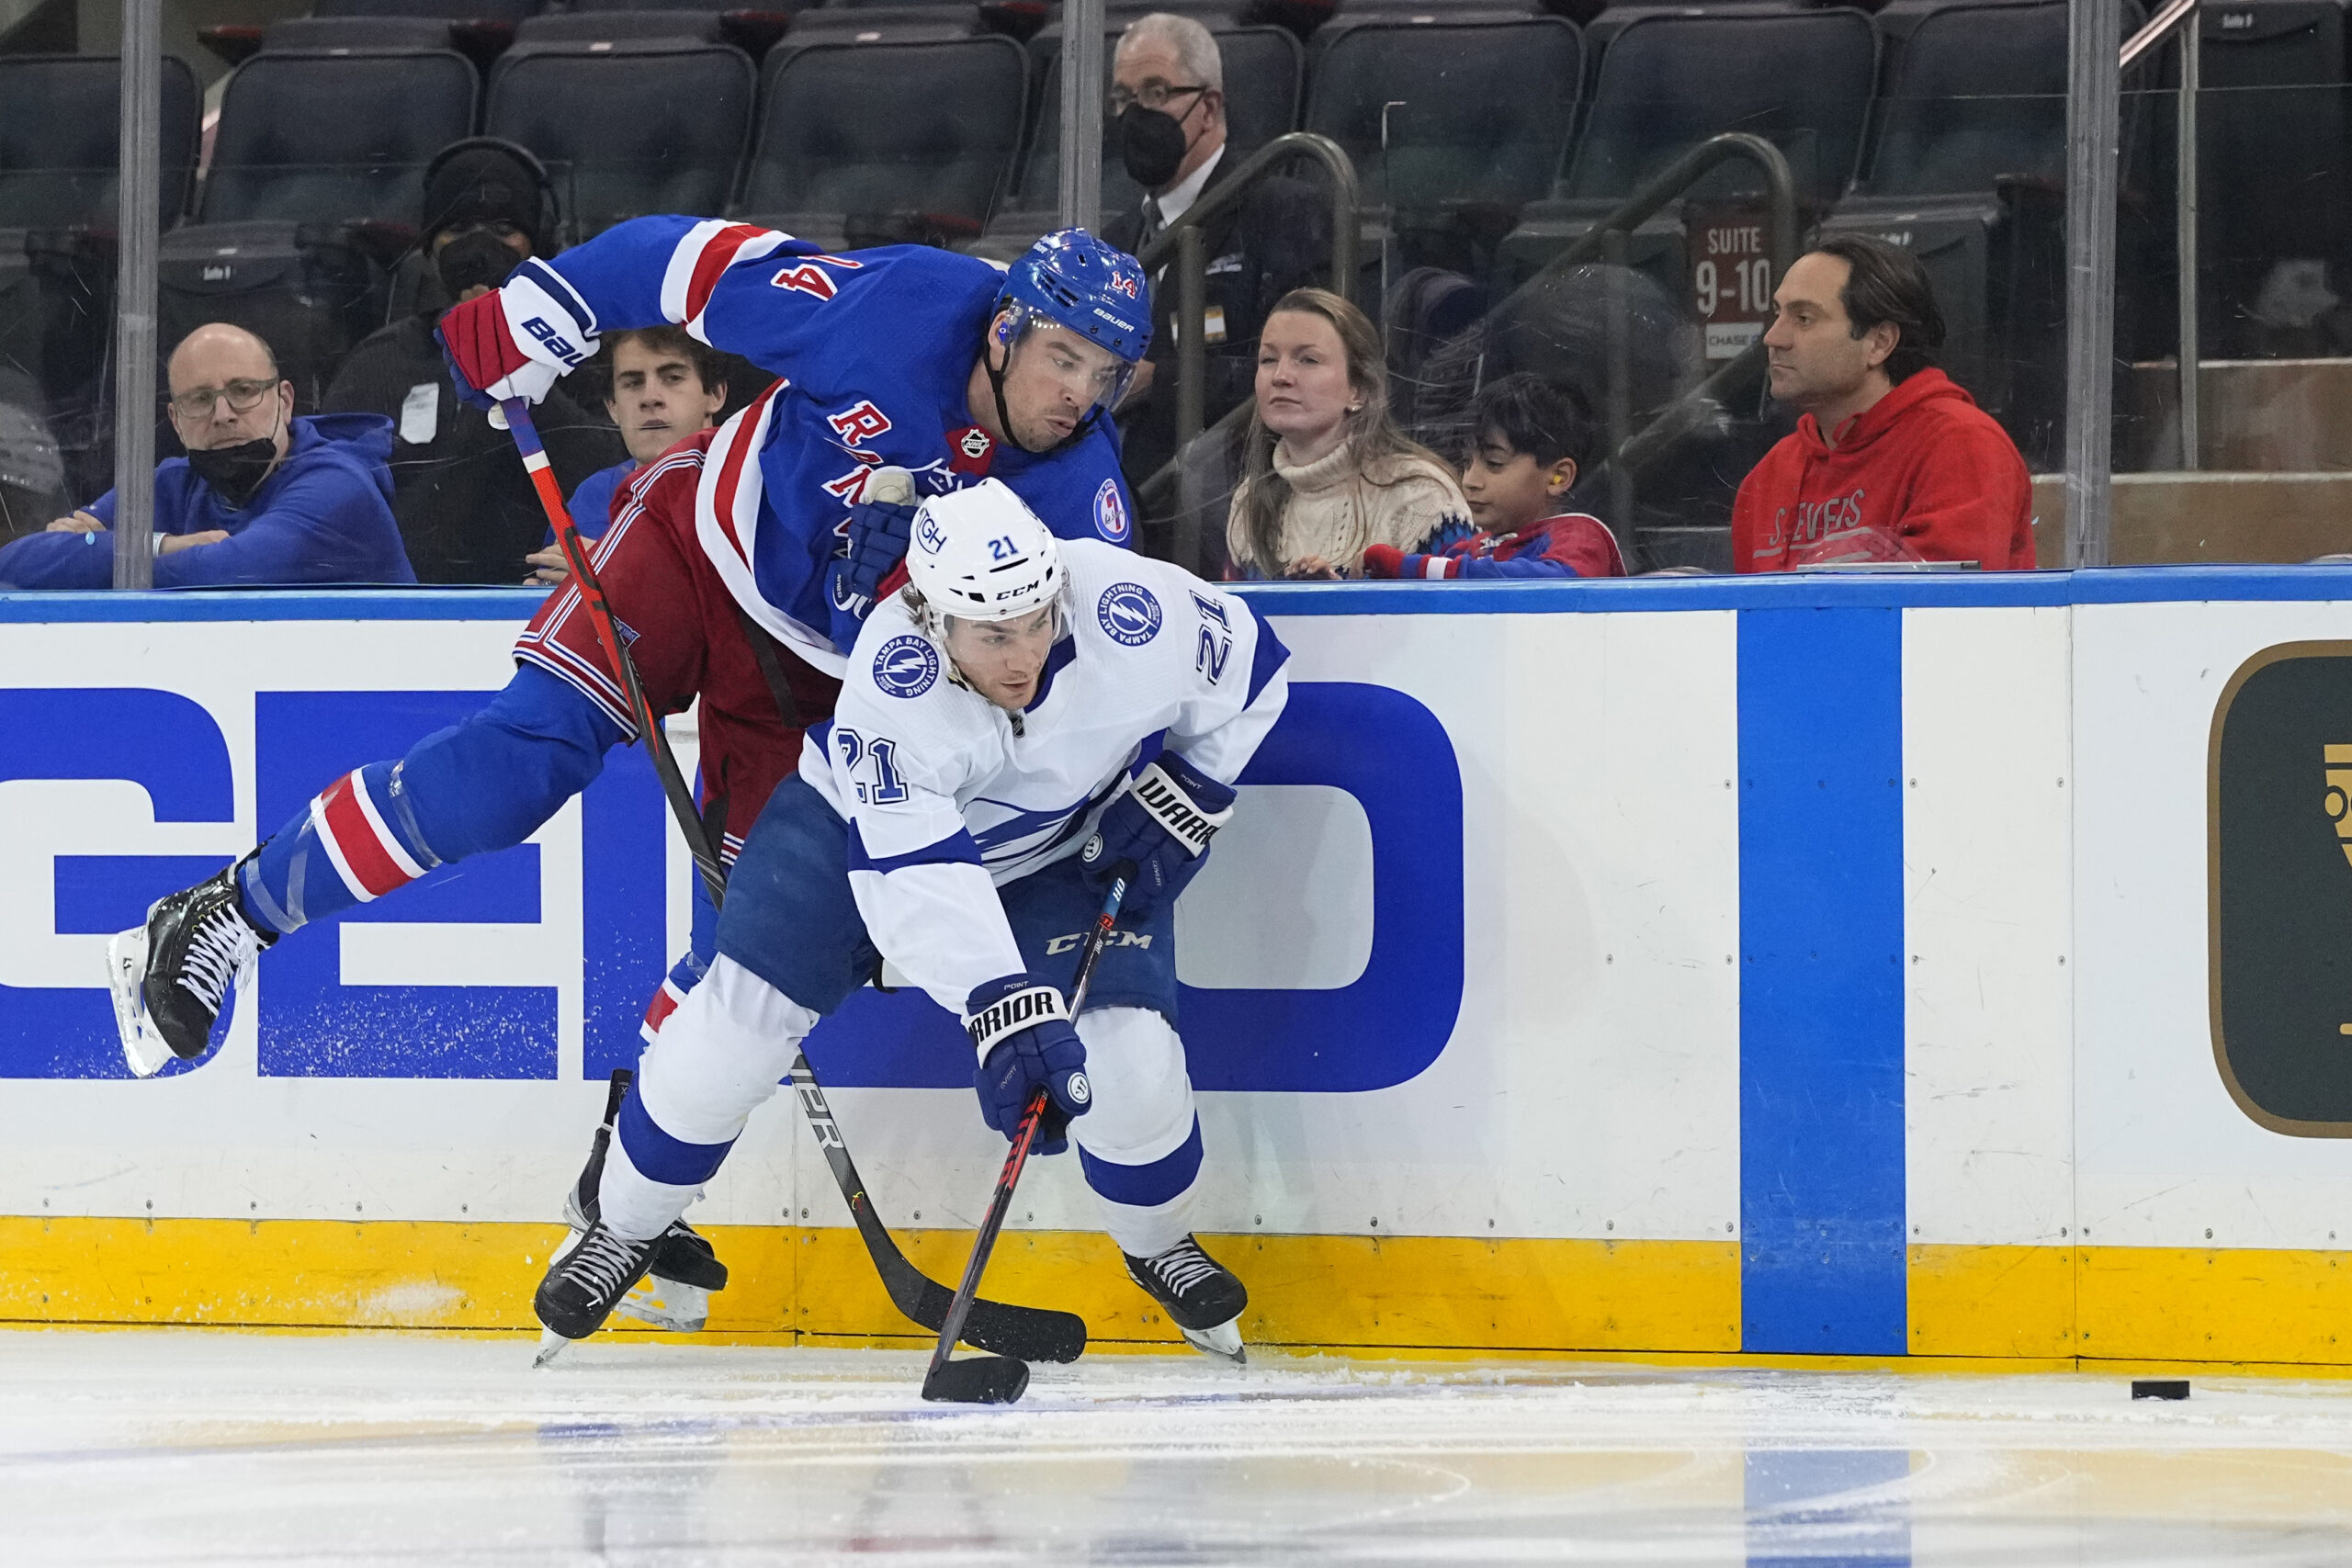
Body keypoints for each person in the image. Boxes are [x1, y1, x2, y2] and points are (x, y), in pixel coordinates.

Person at [107, 221, 1153, 1327]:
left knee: (753, 942)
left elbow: (1055, 692)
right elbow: (692, 262)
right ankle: (227, 915)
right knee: (516, 767)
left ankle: (622, 1185)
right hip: (702, 541)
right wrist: (535, 311)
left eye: (1104, 374)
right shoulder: (899, 303)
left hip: (841, 693)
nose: (1076, 396)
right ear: (1003, 330)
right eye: (1062, 358)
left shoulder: (1082, 506)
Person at [532, 479, 1290, 1364]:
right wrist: (1005, 1009)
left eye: (1038, 620)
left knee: (1129, 1058)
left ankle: (1160, 1242)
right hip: (848, 836)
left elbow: (1255, 668)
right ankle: (624, 1226)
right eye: (994, 635)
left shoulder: (1131, 605)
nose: (1024, 655)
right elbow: (919, 875)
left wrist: (1193, 789)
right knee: (733, 1029)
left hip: (1055, 849)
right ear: (933, 617)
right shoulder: (893, 687)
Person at [323, 138, 625, 584]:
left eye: (504, 230)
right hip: (416, 609)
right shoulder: (382, 361)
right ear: (430, 246)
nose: (479, 249)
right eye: (459, 230)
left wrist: (522, 373)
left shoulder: (587, 353)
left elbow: (616, 479)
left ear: (537, 242)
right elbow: (340, 516)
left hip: (552, 602)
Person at [0, 323, 413, 589]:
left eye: (243, 391)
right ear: (176, 421)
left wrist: (97, 553)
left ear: (285, 401)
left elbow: (225, 573)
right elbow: (18, 562)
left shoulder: (339, 485)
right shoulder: (171, 483)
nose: (222, 415)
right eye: (199, 399)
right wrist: (166, 546)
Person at [1101, 12, 1329, 491]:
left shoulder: (1280, 211)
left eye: (1156, 93)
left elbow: (1301, 374)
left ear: (1208, 108)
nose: (1135, 114)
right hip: (1116, 491)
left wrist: (1154, 382)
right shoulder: (1119, 240)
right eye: (1124, 98)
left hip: (1227, 493)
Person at [1734, 234, 2034, 572]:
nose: (1773, 338)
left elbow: (1942, 615)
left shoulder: (1962, 446)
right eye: (1778, 314)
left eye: (1804, 318)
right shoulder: (1769, 476)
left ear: (1879, 342)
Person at [1225, 288, 1469, 580]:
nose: (1281, 376)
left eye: (1308, 360)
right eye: (1268, 359)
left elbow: (1460, 618)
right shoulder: (1248, 500)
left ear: (1359, 390)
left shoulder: (1422, 496)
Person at [1362, 372, 1625, 580]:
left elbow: (1548, 590)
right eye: (1467, 463)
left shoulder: (1580, 539)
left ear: (1558, 476)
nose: (1470, 481)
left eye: (1494, 463)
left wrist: (1407, 567)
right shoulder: (1472, 549)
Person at [527, 326, 729, 585]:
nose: (649, 398)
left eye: (672, 378)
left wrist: (614, 572)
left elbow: (763, 609)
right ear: (612, 407)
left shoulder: (751, 490)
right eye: (633, 383)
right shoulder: (592, 497)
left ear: (715, 394)